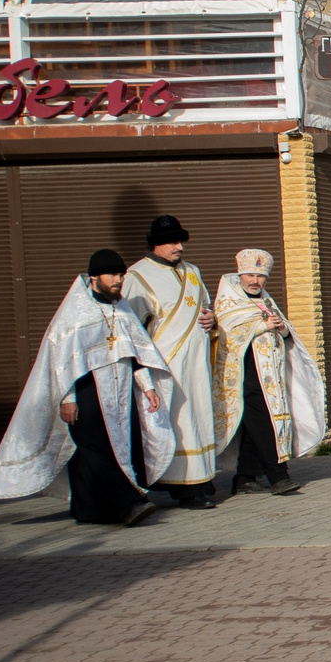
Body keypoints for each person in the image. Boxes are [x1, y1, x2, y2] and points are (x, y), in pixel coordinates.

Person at [0, 248, 178, 526]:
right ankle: (129, 503)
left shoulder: (120, 307)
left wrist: (147, 387)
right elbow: (59, 364)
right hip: (87, 391)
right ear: (95, 276)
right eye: (113, 274)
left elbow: (137, 353)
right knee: (94, 449)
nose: (119, 280)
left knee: (111, 448)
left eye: (121, 275)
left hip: (121, 390)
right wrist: (67, 398)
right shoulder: (74, 313)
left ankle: (89, 510)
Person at [212, 249, 326, 494]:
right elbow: (227, 336)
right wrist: (262, 326)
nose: (255, 281)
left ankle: (244, 477)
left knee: (259, 426)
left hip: (271, 379)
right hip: (246, 377)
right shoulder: (229, 302)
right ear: (240, 275)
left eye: (261, 276)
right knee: (265, 425)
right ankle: (279, 476)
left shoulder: (265, 300)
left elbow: (284, 334)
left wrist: (283, 328)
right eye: (250, 275)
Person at [126, 215, 219, 509]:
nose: (179, 246)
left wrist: (211, 318)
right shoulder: (137, 276)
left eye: (181, 241)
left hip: (196, 363)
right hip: (166, 364)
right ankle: (182, 487)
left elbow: (205, 307)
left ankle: (200, 478)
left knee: (198, 416)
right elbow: (130, 328)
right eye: (172, 241)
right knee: (175, 422)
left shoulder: (192, 271)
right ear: (155, 245)